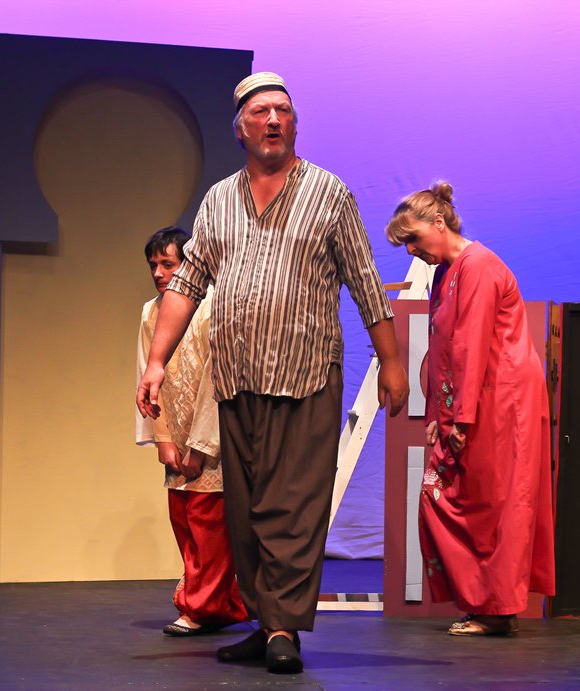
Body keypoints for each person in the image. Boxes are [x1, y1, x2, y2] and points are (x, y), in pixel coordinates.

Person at [136, 72, 408, 674]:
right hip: (237, 381)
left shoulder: (328, 193)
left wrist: (391, 361)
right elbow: (187, 283)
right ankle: (264, 623)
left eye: (284, 110)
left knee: (292, 508)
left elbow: (365, 282)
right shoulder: (218, 201)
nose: (274, 119)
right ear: (241, 129)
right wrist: (156, 362)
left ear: (295, 124)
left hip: (304, 376)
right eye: (261, 112)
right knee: (247, 513)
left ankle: (283, 628)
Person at [385, 181, 555, 636]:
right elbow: (444, 348)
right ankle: (486, 603)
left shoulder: (478, 266)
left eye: (413, 239)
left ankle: (495, 609)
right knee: (454, 498)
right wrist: (439, 417)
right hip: (476, 399)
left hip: (500, 401)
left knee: (493, 502)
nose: (411, 251)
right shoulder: (448, 272)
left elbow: (471, 346)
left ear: (439, 222)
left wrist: (460, 419)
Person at [135, 226, 248, 637]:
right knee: (182, 518)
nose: (159, 273)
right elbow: (147, 372)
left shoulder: (214, 305)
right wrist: (163, 438)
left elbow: (217, 380)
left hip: (211, 437)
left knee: (209, 523)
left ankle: (200, 607)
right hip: (177, 435)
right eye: (154, 265)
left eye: (168, 264)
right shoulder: (152, 312)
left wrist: (201, 445)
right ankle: (219, 604)